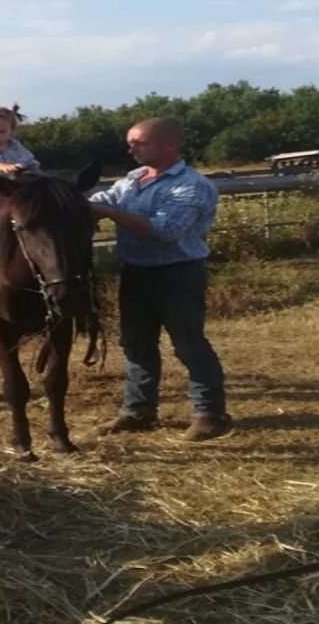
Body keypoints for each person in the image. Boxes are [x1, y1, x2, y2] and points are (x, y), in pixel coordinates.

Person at [89, 117, 231, 441]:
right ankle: (137, 412)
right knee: (136, 345)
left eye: (140, 143)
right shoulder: (133, 179)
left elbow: (166, 229)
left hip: (177, 274)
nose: (131, 149)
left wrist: (110, 214)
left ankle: (211, 414)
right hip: (135, 272)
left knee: (188, 343)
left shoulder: (190, 185)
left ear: (169, 144)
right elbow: (103, 200)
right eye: (130, 143)